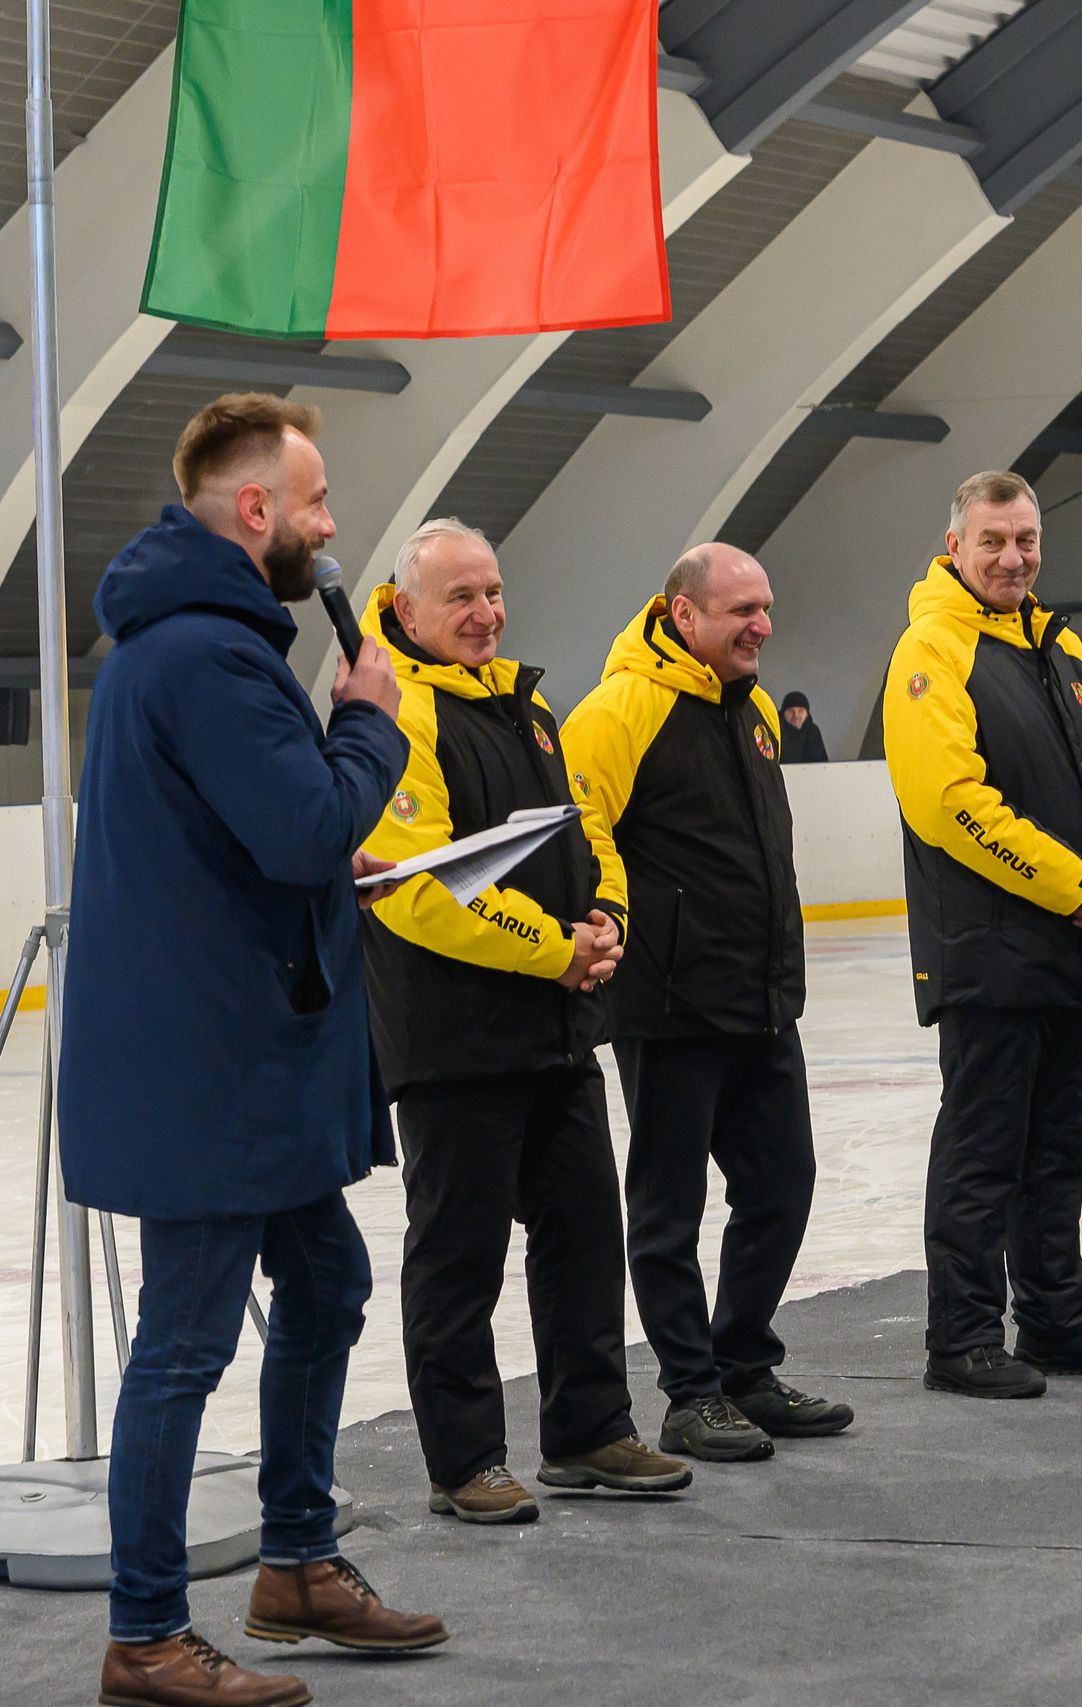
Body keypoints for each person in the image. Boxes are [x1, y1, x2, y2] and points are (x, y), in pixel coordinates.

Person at [58, 394, 442, 1707]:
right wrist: (371, 723)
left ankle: (295, 1562)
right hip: (208, 1065)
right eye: (320, 500)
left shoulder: (192, 648)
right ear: (257, 510)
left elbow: (255, 843)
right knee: (183, 1340)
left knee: (325, 1280)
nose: (335, 526)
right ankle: (146, 1630)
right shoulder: (213, 659)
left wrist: (338, 858)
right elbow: (296, 822)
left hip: (230, 1045)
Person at [357, 518, 688, 1527]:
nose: (484, 614)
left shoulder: (526, 707)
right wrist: (556, 947)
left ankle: (587, 1432)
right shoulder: (397, 715)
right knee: (458, 1255)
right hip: (455, 1038)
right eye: (459, 598)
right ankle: (464, 1462)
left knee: (585, 1230)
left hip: (555, 1026)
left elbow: (590, 830)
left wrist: (608, 916)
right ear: (406, 609)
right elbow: (414, 889)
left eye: (492, 592)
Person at [563, 543, 851, 1463]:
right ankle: (691, 1391)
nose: (762, 626)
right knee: (669, 1204)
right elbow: (581, 835)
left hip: (761, 996)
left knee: (783, 1182)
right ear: (684, 616)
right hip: (671, 1003)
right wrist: (609, 918)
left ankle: (744, 1366)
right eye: (742, 612)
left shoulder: (756, 709)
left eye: (766, 608)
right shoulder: (618, 711)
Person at [882, 470, 1082, 1400]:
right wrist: (1072, 886)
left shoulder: (1063, 649)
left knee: (1058, 1148)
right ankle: (960, 1339)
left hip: (1075, 952)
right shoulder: (932, 650)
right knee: (982, 1153)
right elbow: (950, 804)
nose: (1014, 557)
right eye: (994, 540)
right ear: (954, 545)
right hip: (991, 953)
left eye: (1027, 539)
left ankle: (1056, 1316)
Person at [777, 690, 830, 764]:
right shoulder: (776, 732)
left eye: (800, 711)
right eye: (791, 711)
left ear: (807, 713)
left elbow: (821, 763)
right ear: (783, 713)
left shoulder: (813, 731)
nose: (795, 715)